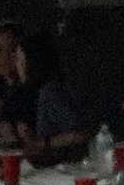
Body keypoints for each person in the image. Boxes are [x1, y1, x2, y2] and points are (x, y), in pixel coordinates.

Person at [12, 29, 87, 162]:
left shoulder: (51, 91)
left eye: (19, 59)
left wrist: (42, 143)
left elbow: (77, 135)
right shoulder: (37, 91)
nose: (16, 65)